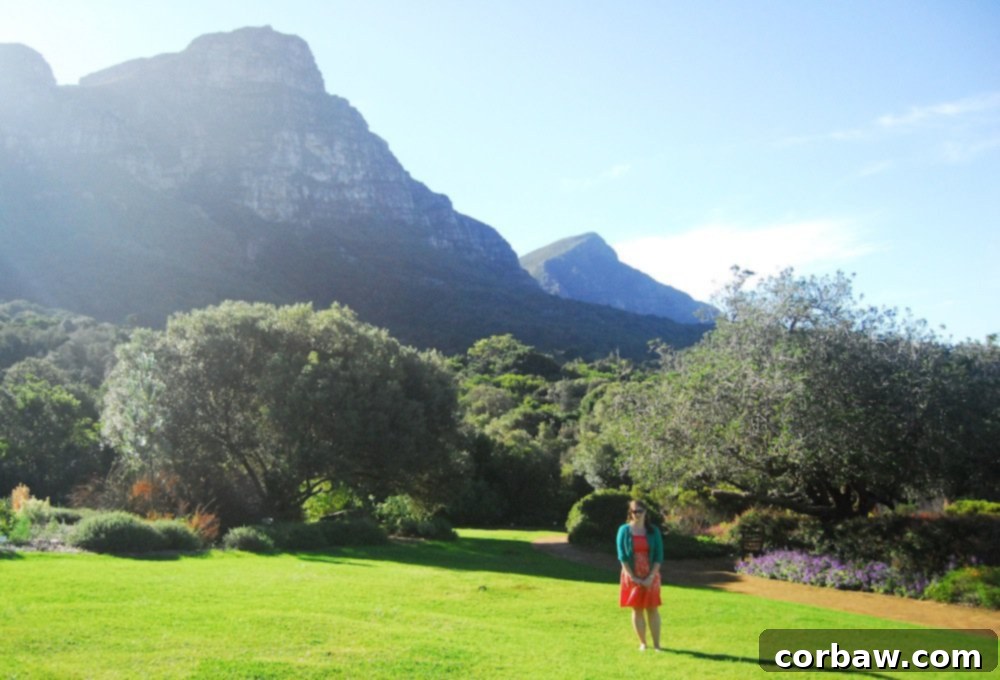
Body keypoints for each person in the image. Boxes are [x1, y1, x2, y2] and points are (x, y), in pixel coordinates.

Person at [616, 500, 664, 651]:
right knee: (637, 609)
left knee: (652, 608)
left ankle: (657, 645)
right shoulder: (624, 530)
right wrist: (633, 577)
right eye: (635, 511)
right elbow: (622, 556)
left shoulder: (653, 531)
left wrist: (650, 577)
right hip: (632, 574)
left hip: (651, 574)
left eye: (641, 511)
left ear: (646, 512)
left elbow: (659, 555)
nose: (638, 514)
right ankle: (643, 643)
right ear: (630, 513)